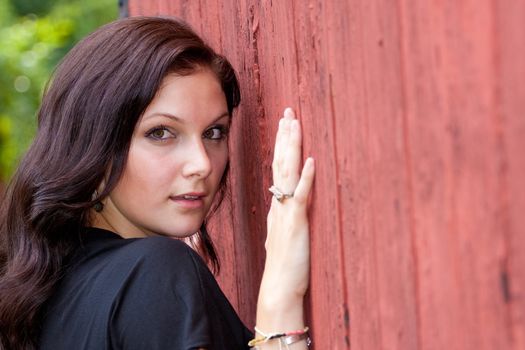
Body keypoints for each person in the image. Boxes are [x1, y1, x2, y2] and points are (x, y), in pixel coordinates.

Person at [0, 16, 315, 350]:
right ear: (95, 146)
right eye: (161, 133)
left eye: (214, 132)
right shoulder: (153, 273)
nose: (202, 163)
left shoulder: (46, 295)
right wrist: (280, 303)